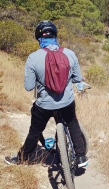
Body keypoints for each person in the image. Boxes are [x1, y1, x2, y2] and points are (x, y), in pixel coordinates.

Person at [4, 20, 88, 168]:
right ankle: (81, 157)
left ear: (39, 38)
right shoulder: (70, 54)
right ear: (55, 36)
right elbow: (76, 78)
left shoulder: (33, 57)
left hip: (44, 105)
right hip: (66, 102)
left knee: (35, 131)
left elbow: (29, 86)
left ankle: (22, 158)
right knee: (72, 123)